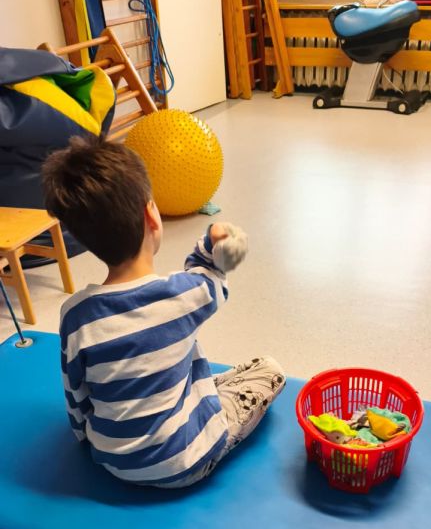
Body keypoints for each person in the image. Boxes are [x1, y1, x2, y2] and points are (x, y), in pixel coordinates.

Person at [42, 136, 285, 489]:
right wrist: (213, 239)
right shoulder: (184, 295)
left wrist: (85, 437)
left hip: (111, 461)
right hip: (186, 463)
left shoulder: (75, 314)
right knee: (268, 369)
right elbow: (213, 274)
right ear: (151, 215)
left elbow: (76, 393)